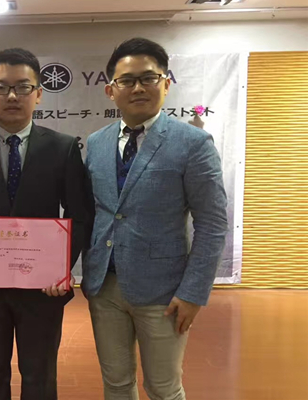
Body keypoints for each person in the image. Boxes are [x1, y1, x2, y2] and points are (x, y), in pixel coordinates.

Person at [83, 37, 229, 400]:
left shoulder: (193, 143)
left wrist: (193, 293)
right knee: (116, 384)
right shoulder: (96, 143)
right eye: (127, 80)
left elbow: (212, 224)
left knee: (163, 388)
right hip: (104, 287)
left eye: (148, 78)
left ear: (166, 83)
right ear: (110, 90)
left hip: (164, 293)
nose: (138, 88)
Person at [0, 48, 91, 400]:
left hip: (42, 290)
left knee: (40, 378)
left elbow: (79, 213)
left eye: (23, 87)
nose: (12, 96)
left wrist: (61, 269)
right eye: (1, 87)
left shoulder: (63, 148)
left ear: (38, 94)